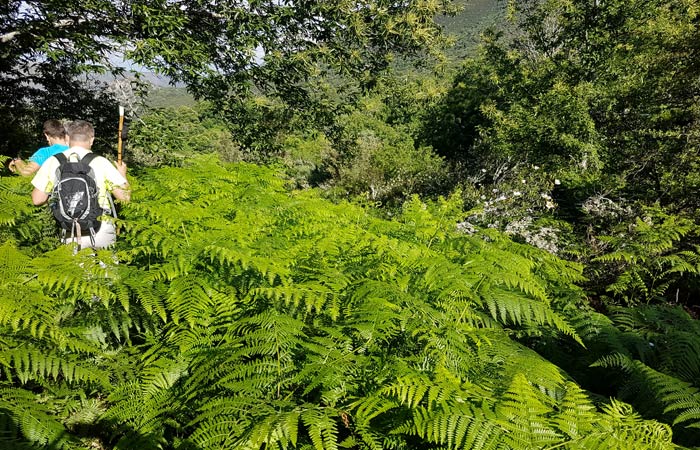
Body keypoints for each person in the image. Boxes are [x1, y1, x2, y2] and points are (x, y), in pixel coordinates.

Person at [31, 120, 130, 249]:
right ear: (92, 139)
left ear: (67, 138)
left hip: (69, 228)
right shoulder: (101, 162)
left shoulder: (53, 161)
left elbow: (37, 200)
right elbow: (125, 198)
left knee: (75, 269)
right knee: (106, 269)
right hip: (101, 227)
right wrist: (122, 174)